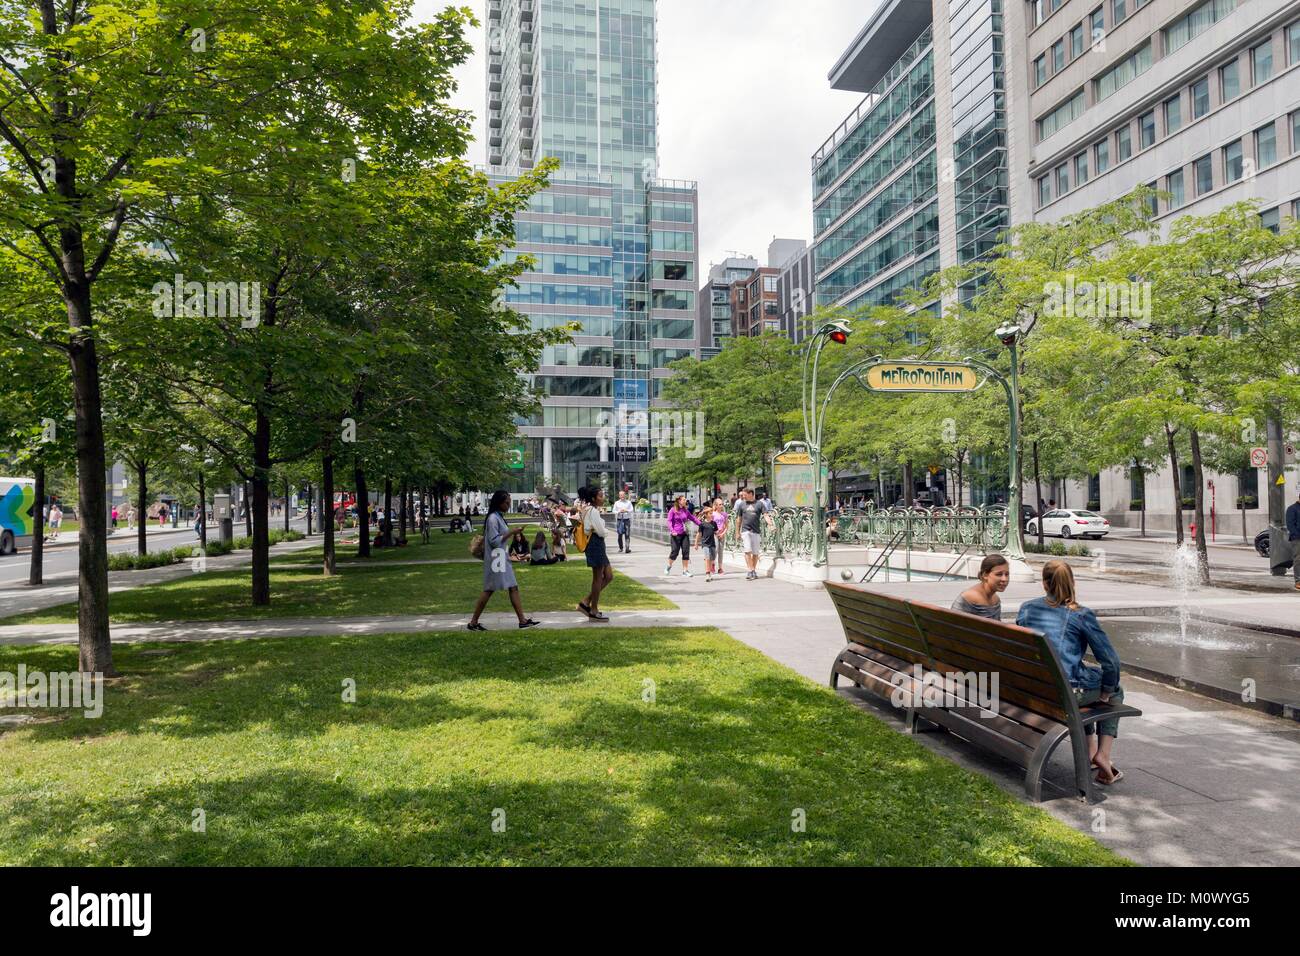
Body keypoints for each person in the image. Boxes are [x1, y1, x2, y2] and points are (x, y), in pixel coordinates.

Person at [1016, 560, 1126, 786]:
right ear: (1072, 582)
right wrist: (1106, 691)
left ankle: (1090, 750)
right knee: (1114, 689)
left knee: (1083, 679)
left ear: (1044, 584)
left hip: (1032, 687)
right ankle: (1102, 755)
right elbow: (1111, 662)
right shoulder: (1081, 615)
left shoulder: (1026, 608)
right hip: (1066, 693)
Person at [467, 490, 540, 632]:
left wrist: (514, 532)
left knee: (512, 587)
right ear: (499, 503)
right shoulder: (493, 518)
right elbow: (494, 541)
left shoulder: (498, 517)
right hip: (496, 560)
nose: (508, 505)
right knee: (490, 589)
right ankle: (473, 622)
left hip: (501, 558)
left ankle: (522, 620)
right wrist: (512, 532)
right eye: (506, 503)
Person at [576, 485, 613, 622]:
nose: (602, 498)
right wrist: (606, 531)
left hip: (596, 545)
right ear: (593, 498)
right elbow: (602, 532)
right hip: (595, 544)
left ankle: (585, 602)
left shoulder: (589, 510)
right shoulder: (593, 511)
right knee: (598, 578)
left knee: (608, 576)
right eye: (600, 496)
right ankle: (594, 609)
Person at [951, 554, 1010, 620]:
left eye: (1007, 574)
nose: (1004, 579)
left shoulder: (996, 600)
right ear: (985, 575)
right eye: (999, 574)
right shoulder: (970, 597)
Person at [732, 487, 773, 581]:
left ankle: (753, 570)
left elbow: (766, 515)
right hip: (746, 531)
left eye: (745, 495)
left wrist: (770, 524)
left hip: (756, 531)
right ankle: (750, 570)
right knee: (747, 551)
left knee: (755, 553)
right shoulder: (742, 505)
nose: (743, 496)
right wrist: (737, 532)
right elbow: (738, 519)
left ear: (751, 494)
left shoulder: (760, 504)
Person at [664, 494, 701, 577]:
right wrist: (672, 531)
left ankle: (685, 571)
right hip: (675, 535)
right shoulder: (672, 510)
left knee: (686, 552)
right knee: (674, 552)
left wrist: (701, 524)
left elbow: (693, 518)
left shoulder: (685, 511)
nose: (685, 501)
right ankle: (669, 566)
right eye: (684, 500)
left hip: (684, 534)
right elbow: (669, 521)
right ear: (679, 501)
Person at [695, 506, 718, 581]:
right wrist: (696, 543)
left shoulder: (714, 523)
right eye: (710, 513)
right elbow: (699, 534)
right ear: (706, 514)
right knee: (707, 558)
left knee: (712, 558)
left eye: (712, 513)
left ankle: (710, 572)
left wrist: (721, 533)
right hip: (705, 544)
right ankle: (707, 574)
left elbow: (716, 532)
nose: (712, 515)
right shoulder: (702, 524)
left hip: (712, 544)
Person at [710, 498, 729, 575]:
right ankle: (712, 564)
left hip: (722, 534)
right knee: (715, 550)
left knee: (721, 552)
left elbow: (727, 526)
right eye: (720, 504)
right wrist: (715, 533)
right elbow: (710, 525)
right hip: (714, 534)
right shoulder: (713, 514)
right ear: (716, 505)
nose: (721, 506)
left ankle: (720, 568)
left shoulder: (724, 514)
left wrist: (723, 533)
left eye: (722, 504)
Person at [1287, 490, 1300, 592]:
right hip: (1297, 539)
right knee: (1298, 560)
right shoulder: (1292, 509)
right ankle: (1298, 581)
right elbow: (1290, 525)